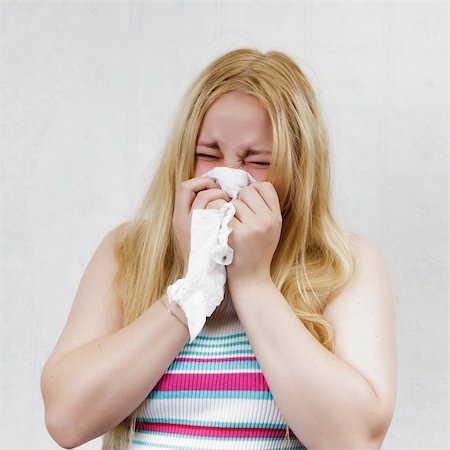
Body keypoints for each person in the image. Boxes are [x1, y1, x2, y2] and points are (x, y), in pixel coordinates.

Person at [40, 48, 398, 450]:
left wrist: (252, 280)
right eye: (207, 154)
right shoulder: (127, 251)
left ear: (299, 168)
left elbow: (354, 440)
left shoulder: (346, 265)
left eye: (257, 161)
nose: (227, 177)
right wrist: (194, 285)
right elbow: (66, 421)